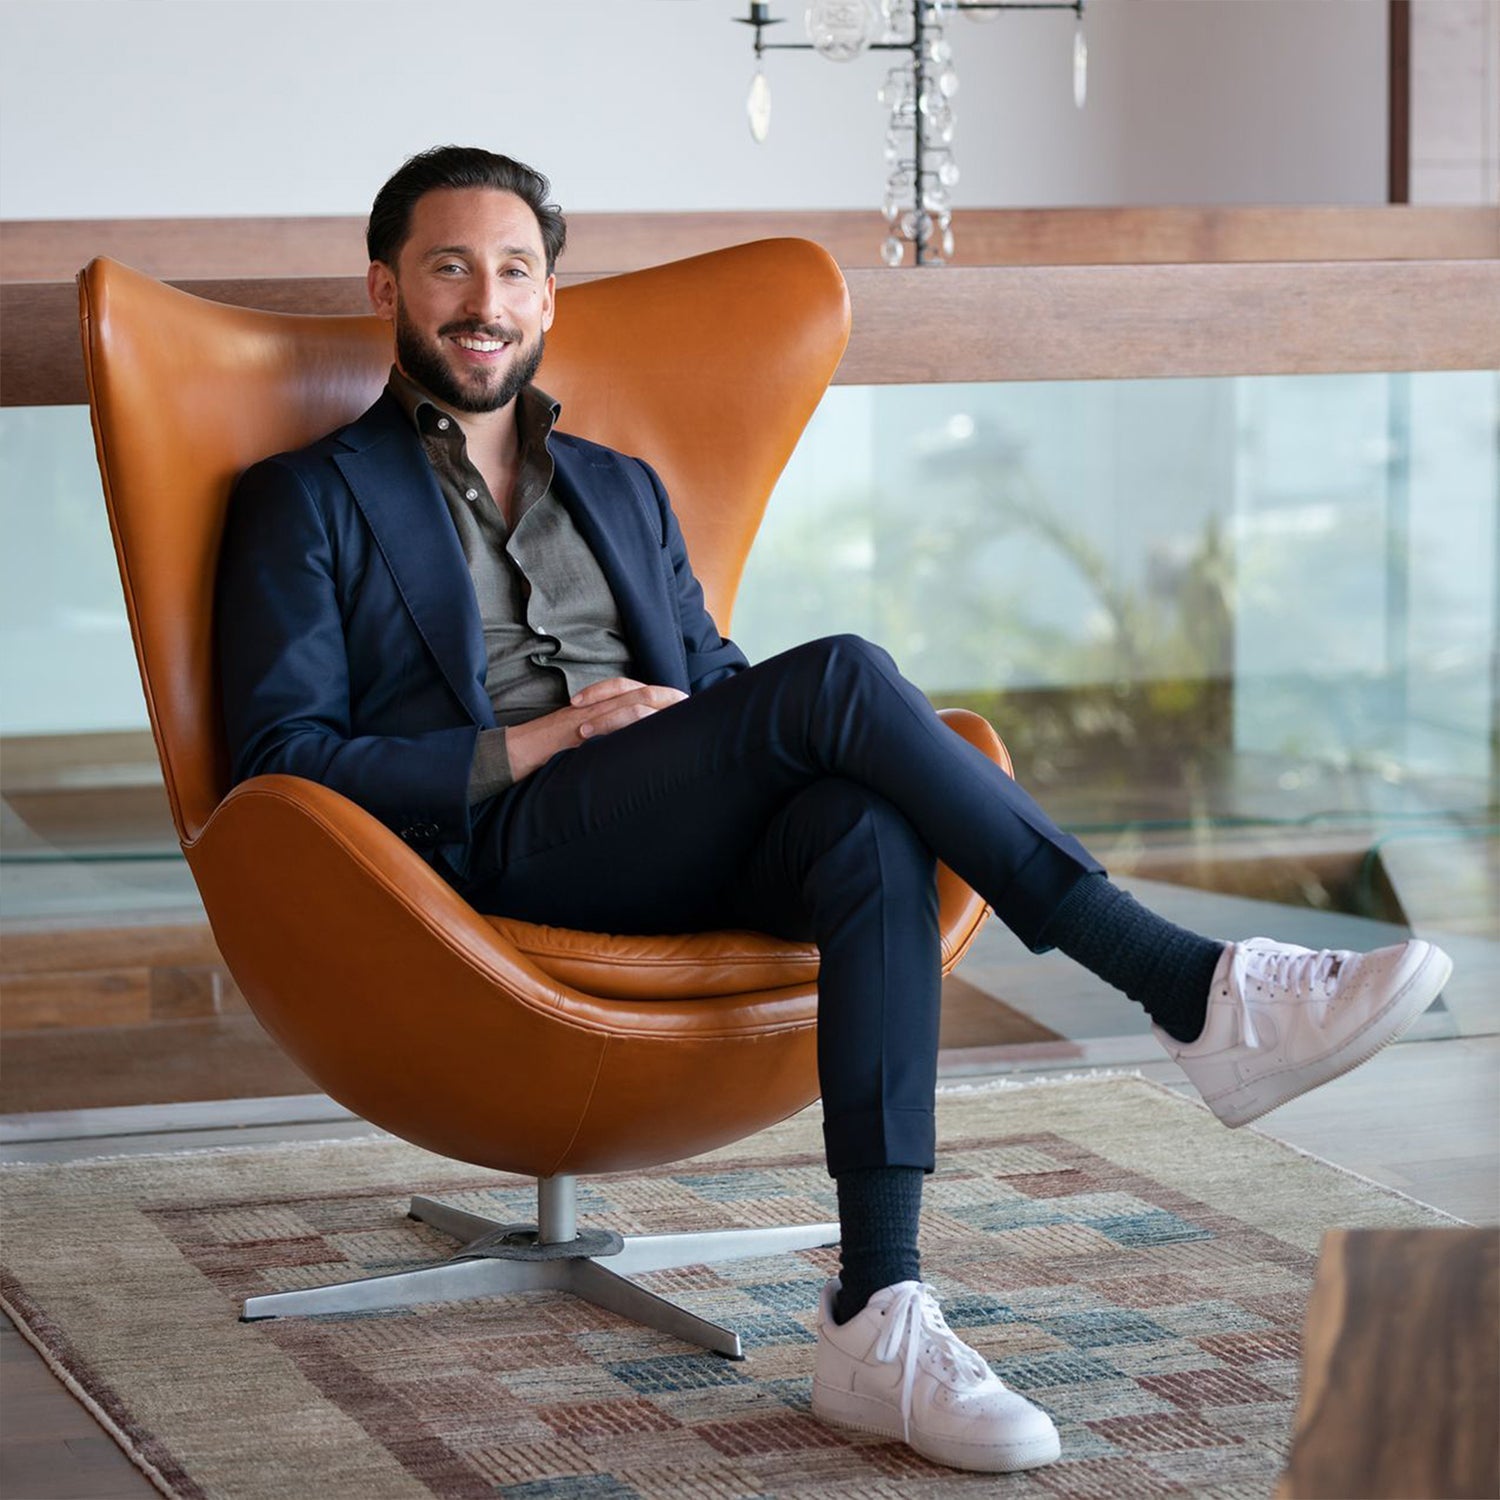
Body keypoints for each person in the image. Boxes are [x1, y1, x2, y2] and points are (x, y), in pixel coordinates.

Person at [217, 145, 1454, 1475]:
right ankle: (1185, 984)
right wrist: (541, 739)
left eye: (514, 268)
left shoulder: (622, 491)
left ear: (550, 299)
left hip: (659, 826)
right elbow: (281, 760)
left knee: (864, 830)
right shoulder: (309, 499)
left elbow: (724, 689)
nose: (483, 296)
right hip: (493, 856)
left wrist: (757, 733)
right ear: (386, 286)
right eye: (449, 265)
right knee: (850, 675)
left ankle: (879, 1309)